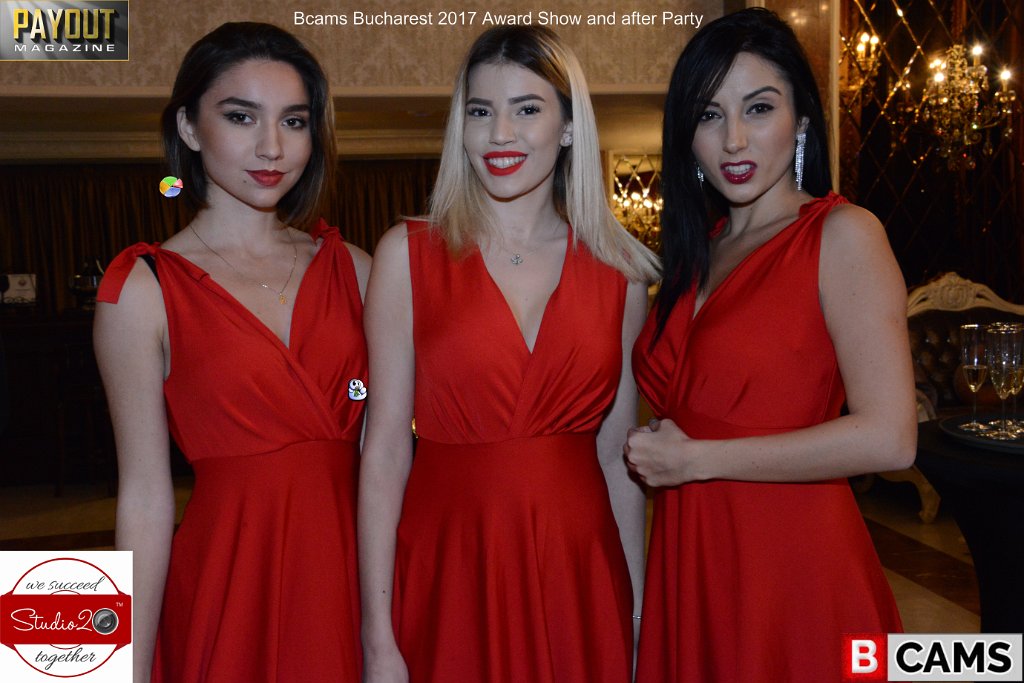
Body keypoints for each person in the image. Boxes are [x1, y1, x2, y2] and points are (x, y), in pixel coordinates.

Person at [358, 25, 659, 683]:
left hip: (579, 573)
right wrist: (377, 635)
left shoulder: (621, 273)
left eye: (526, 109)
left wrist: (634, 614)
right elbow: (383, 453)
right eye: (480, 111)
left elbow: (617, 459)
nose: (500, 134)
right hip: (449, 568)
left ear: (569, 126)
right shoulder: (406, 257)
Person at [624, 8, 916, 682]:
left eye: (759, 108)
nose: (733, 139)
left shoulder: (843, 234)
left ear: (802, 118)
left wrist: (697, 459)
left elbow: (890, 438)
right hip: (693, 557)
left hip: (793, 565)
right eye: (709, 115)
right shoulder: (700, 252)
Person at [94, 22, 370, 682]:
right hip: (227, 581)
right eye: (241, 116)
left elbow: (386, 459)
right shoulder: (141, 289)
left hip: (352, 576)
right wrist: (125, 667)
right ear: (188, 127)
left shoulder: (357, 271)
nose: (272, 145)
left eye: (294, 121)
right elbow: (144, 497)